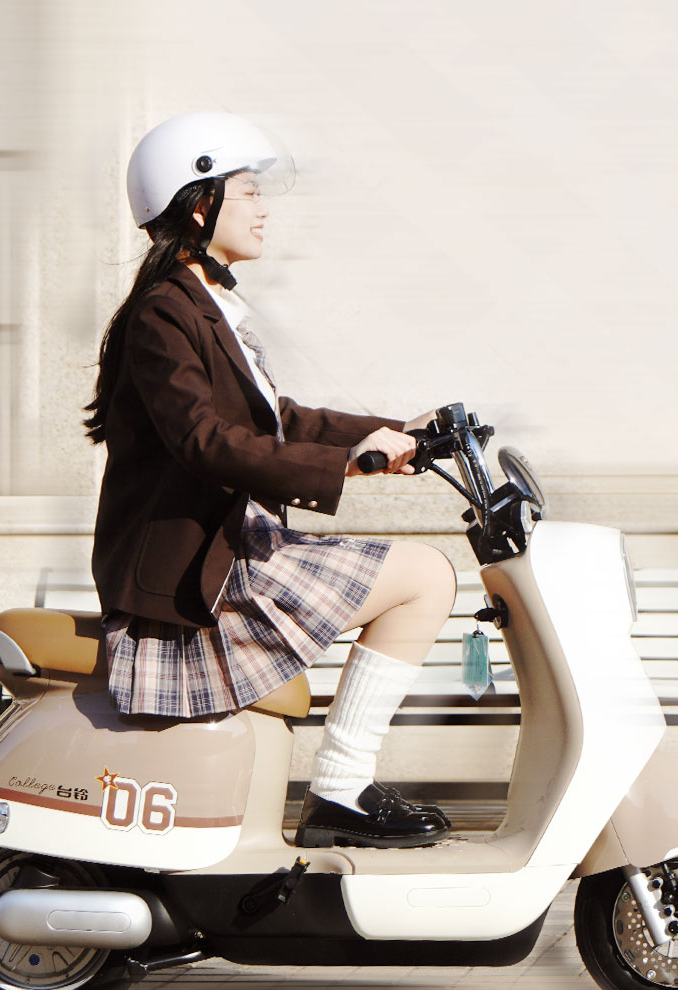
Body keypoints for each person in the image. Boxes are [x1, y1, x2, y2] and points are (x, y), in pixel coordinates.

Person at [85, 111, 454, 849]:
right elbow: (204, 440)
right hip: (202, 577)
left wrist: (402, 432)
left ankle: (341, 788)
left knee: (426, 575)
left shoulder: (206, 306)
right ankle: (340, 788)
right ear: (200, 204)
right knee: (425, 576)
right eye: (248, 191)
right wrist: (345, 462)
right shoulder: (163, 314)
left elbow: (278, 419)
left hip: (235, 549)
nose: (262, 208)